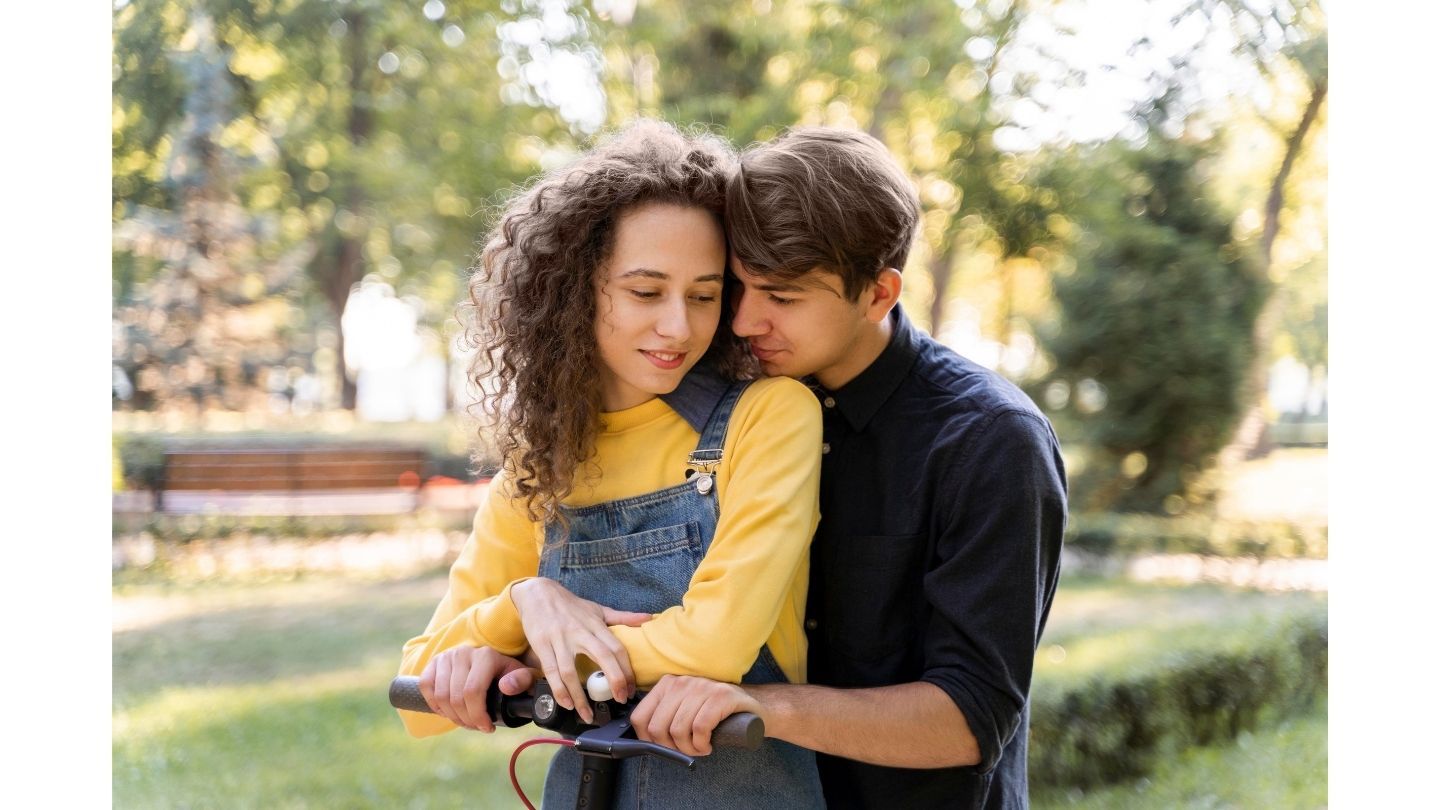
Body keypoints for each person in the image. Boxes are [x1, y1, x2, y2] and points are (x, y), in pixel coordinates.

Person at [616, 127, 1069, 809]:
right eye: (738, 285)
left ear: (880, 294)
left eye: (784, 296)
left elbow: (970, 718)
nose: (743, 321)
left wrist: (758, 705)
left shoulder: (992, 440)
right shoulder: (717, 401)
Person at [394, 120, 826, 808]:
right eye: (646, 292)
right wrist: (527, 602)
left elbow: (715, 646)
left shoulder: (769, 417)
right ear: (574, 292)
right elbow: (418, 691)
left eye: (705, 295)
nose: (679, 327)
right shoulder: (540, 469)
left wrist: (523, 666)